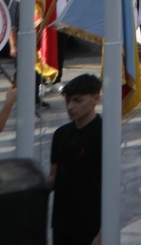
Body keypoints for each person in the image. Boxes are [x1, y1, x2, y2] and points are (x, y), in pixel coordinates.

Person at [49, 73, 102, 245]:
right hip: (62, 222)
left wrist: (102, 231)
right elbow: (53, 177)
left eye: (78, 100)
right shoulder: (61, 134)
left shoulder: (103, 135)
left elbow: (109, 187)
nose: (70, 106)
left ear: (95, 99)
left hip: (89, 224)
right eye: (68, 101)